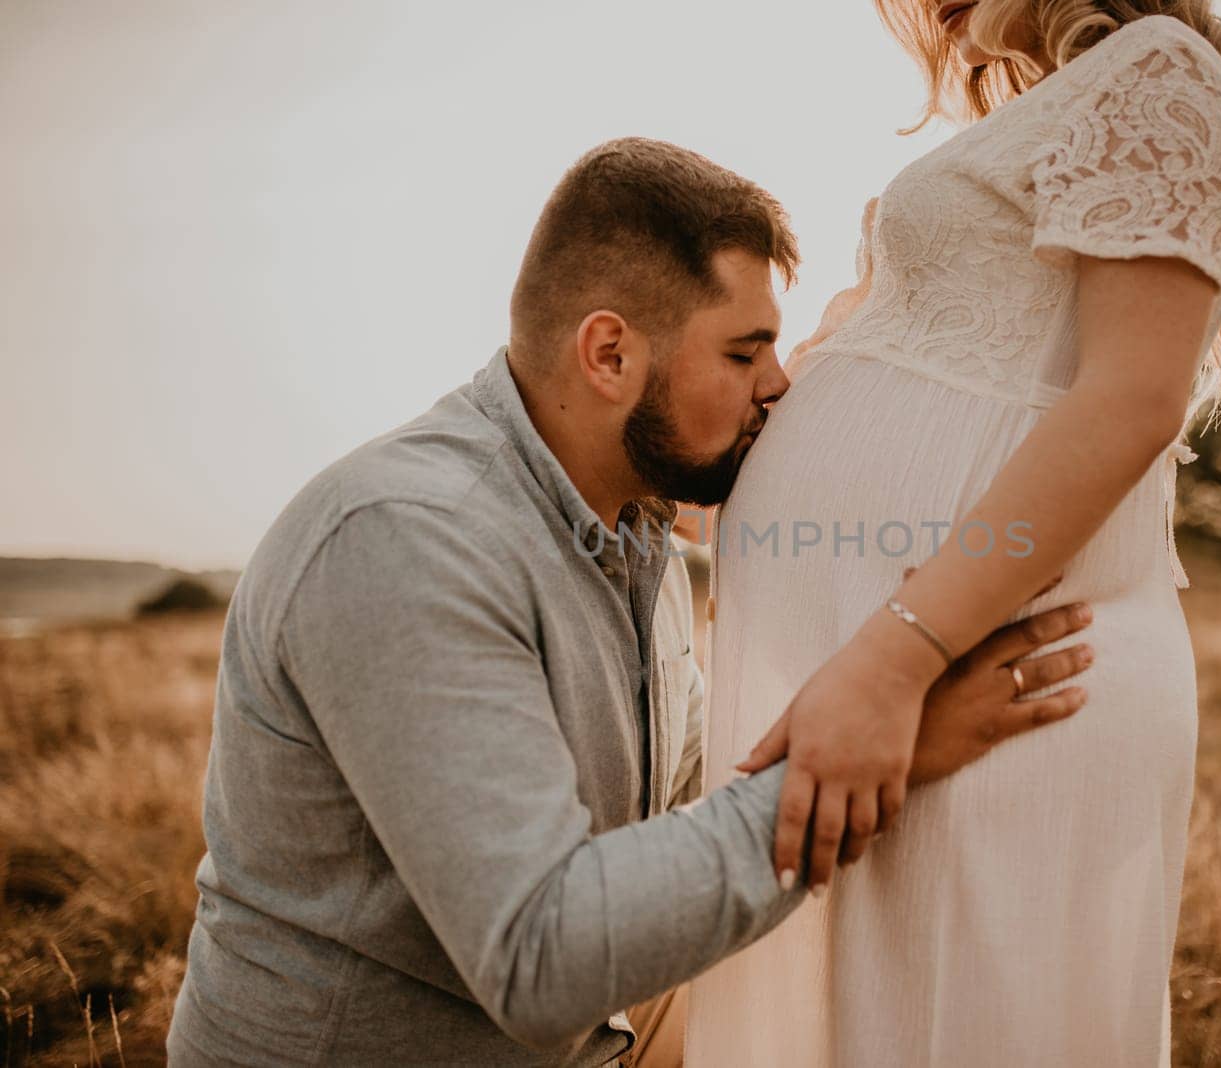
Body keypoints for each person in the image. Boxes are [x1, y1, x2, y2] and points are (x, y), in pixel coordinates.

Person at [165, 137, 1101, 1066]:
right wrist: (865, 763)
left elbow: (698, 795)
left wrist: (891, 673)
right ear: (609, 354)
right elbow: (544, 961)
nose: (778, 384)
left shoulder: (632, 527)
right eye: (745, 351)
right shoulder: (407, 539)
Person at [685, 2, 1221, 1064]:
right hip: (901, 675)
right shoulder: (1045, 115)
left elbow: (1127, 404)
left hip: (986, 673)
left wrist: (892, 656)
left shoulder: (1157, 71)